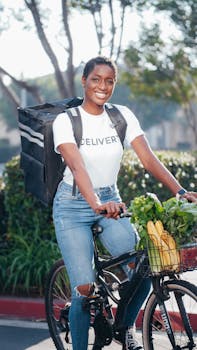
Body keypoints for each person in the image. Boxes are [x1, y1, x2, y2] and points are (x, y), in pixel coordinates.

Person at [52, 56, 197, 350]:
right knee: (84, 289)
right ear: (84, 81)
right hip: (73, 205)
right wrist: (94, 203)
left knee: (145, 266)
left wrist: (180, 191)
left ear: (114, 84)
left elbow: (148, 159)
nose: (102, 86)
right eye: (96, 79)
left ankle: (124, 327)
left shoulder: (121, 116)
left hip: (111, 202)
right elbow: (77, 168)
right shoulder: (66, 121)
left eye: (109, 80)